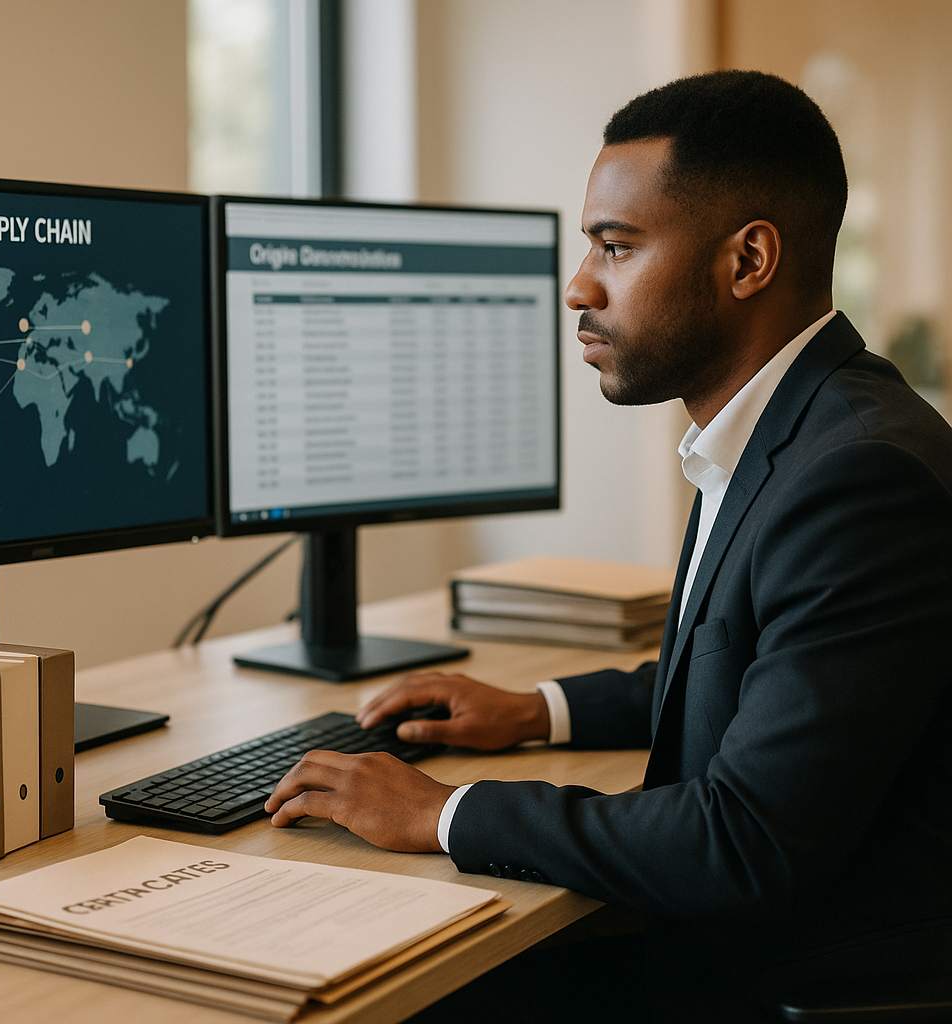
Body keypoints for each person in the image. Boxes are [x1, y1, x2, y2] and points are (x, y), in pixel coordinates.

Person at [265, 70, 952, 1021]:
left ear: (748, 259)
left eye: (616, 246)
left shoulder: (858, 477)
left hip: (788, 983)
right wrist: (534, 710)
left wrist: (443, 812)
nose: (578, 285)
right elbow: (758, 672)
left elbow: (743, 839)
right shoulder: (800, 429)